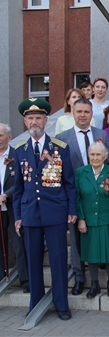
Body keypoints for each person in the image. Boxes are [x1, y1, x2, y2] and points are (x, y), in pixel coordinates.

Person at [13, 98, 76, 320]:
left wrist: (71, 209)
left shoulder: (60, 148)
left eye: (38, 118)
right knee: (33, 260)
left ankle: (61, 304)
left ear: (46, 120)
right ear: (25, 121)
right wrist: (18, 216)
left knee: (58, 260)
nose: (34, 122)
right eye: (30, 118)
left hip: (55, 212)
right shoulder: (19, 150)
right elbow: (18, 188)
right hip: (30, 213)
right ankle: (36, 304)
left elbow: (69, 182)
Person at [56, 98, 109, 295]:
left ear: (92, 114)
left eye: (86, 112)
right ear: (73, 112)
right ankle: (79, 277)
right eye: (79, 111)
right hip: (74, 194)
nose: (82, 115)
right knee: (76, 236)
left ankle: (101, 278)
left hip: (97, 195)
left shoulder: (101, 134)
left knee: (95, 236)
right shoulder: (62, 137)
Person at [75, 142, 109, 299]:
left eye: (98, 154)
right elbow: (77, 198)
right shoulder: (80, 173)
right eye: (92, 154)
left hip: (108, 218)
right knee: (92, 253)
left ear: (105, 156)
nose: (95, 157)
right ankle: (94, 284)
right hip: (89, 220)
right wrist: (81, 219)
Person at [0, 123, 29, 293]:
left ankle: (25, 280)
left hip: (13, 205)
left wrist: (7, 194)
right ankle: (2, 277)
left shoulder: (16, 154)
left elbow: (22, 179)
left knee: (18, 243)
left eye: (1, 135)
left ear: (9, 137)